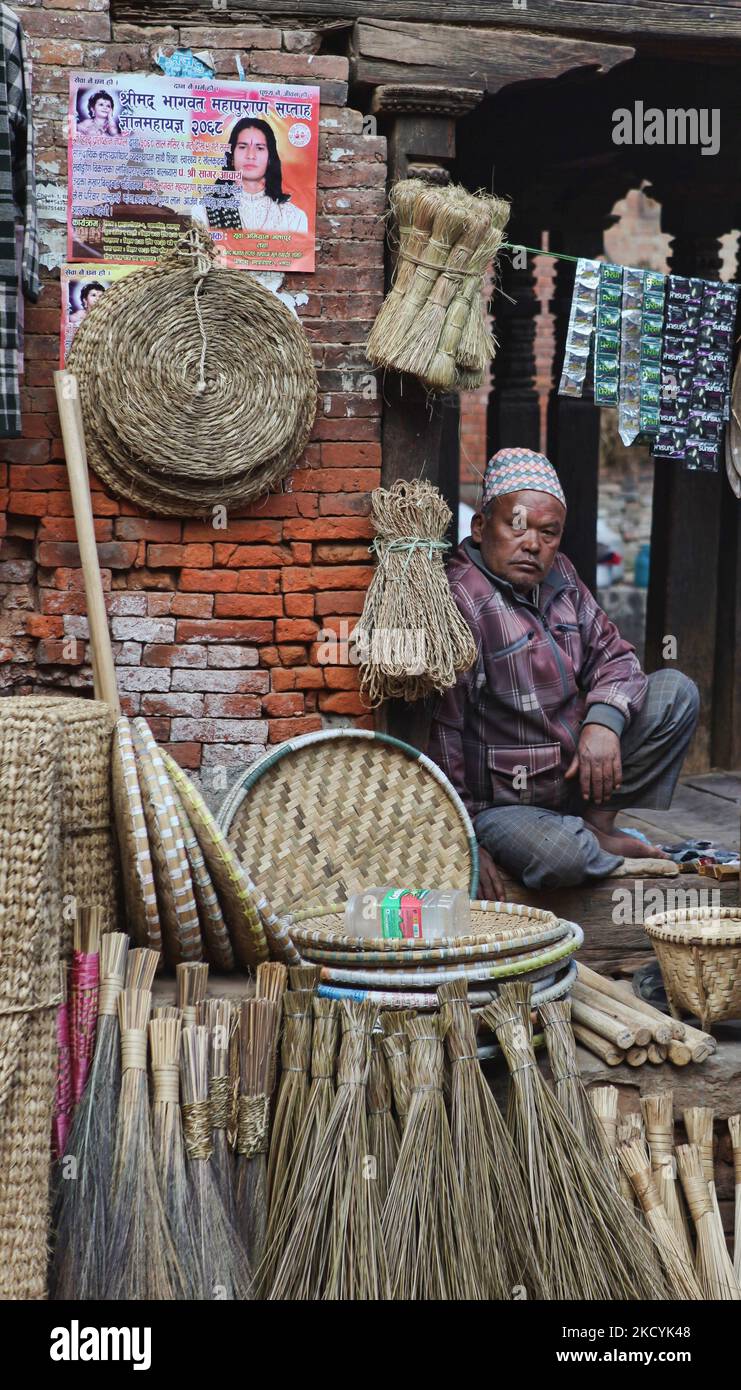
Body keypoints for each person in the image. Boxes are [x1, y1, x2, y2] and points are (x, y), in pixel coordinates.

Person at [428, 447, 699, 901]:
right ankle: (591, 847)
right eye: (516, 526)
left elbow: (616, 657)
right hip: (504, 808)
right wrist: (463, 839)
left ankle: (597, 826)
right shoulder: (461, 600)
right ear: (479, 527)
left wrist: (603, 722)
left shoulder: (561, 578)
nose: (532, 544)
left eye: (548, 533)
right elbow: (444, 733)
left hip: (576, 776)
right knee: (561, 853)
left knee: (676, 693)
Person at [193, 117, 308, 234]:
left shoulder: (293, 217)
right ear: (231, 157)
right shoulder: (204, 209)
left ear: (270, 158)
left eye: (259, 148)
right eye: (243, 147)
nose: (251, 155)